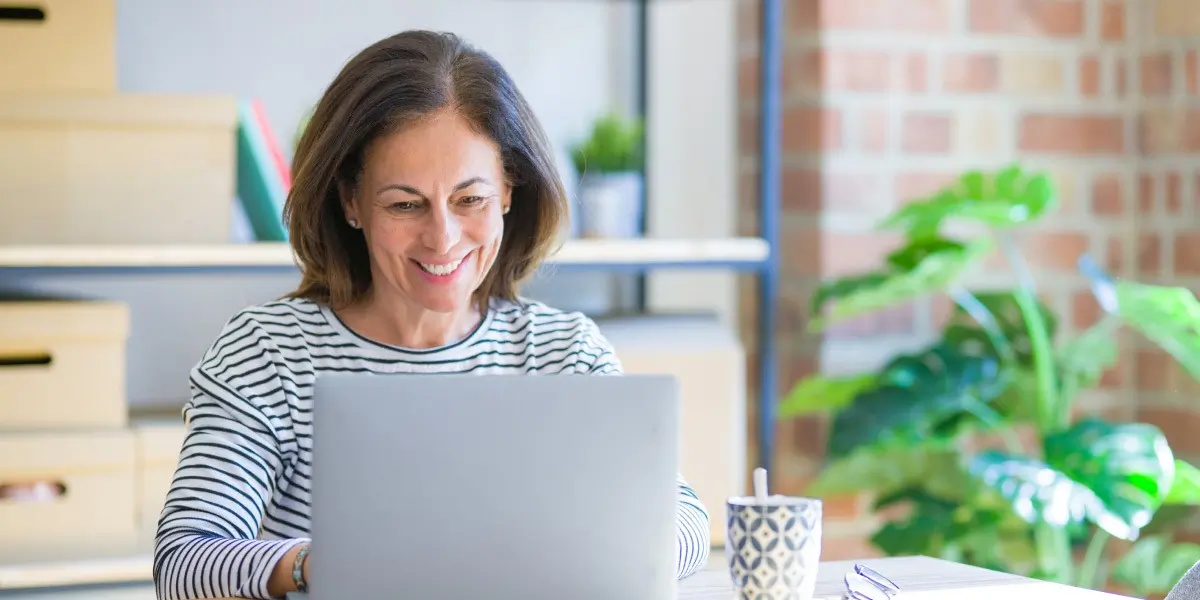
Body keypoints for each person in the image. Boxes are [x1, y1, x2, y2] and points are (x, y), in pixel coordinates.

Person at [151, 29, 711, 600]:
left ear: (510, 190)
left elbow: (687, 523)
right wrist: (323, 563)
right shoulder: (269, 353)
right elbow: (185, 561)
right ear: (351, 201)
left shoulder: (561, 352)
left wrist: (588, 547)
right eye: (404, 204)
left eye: (471, 200)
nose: (442, 239)